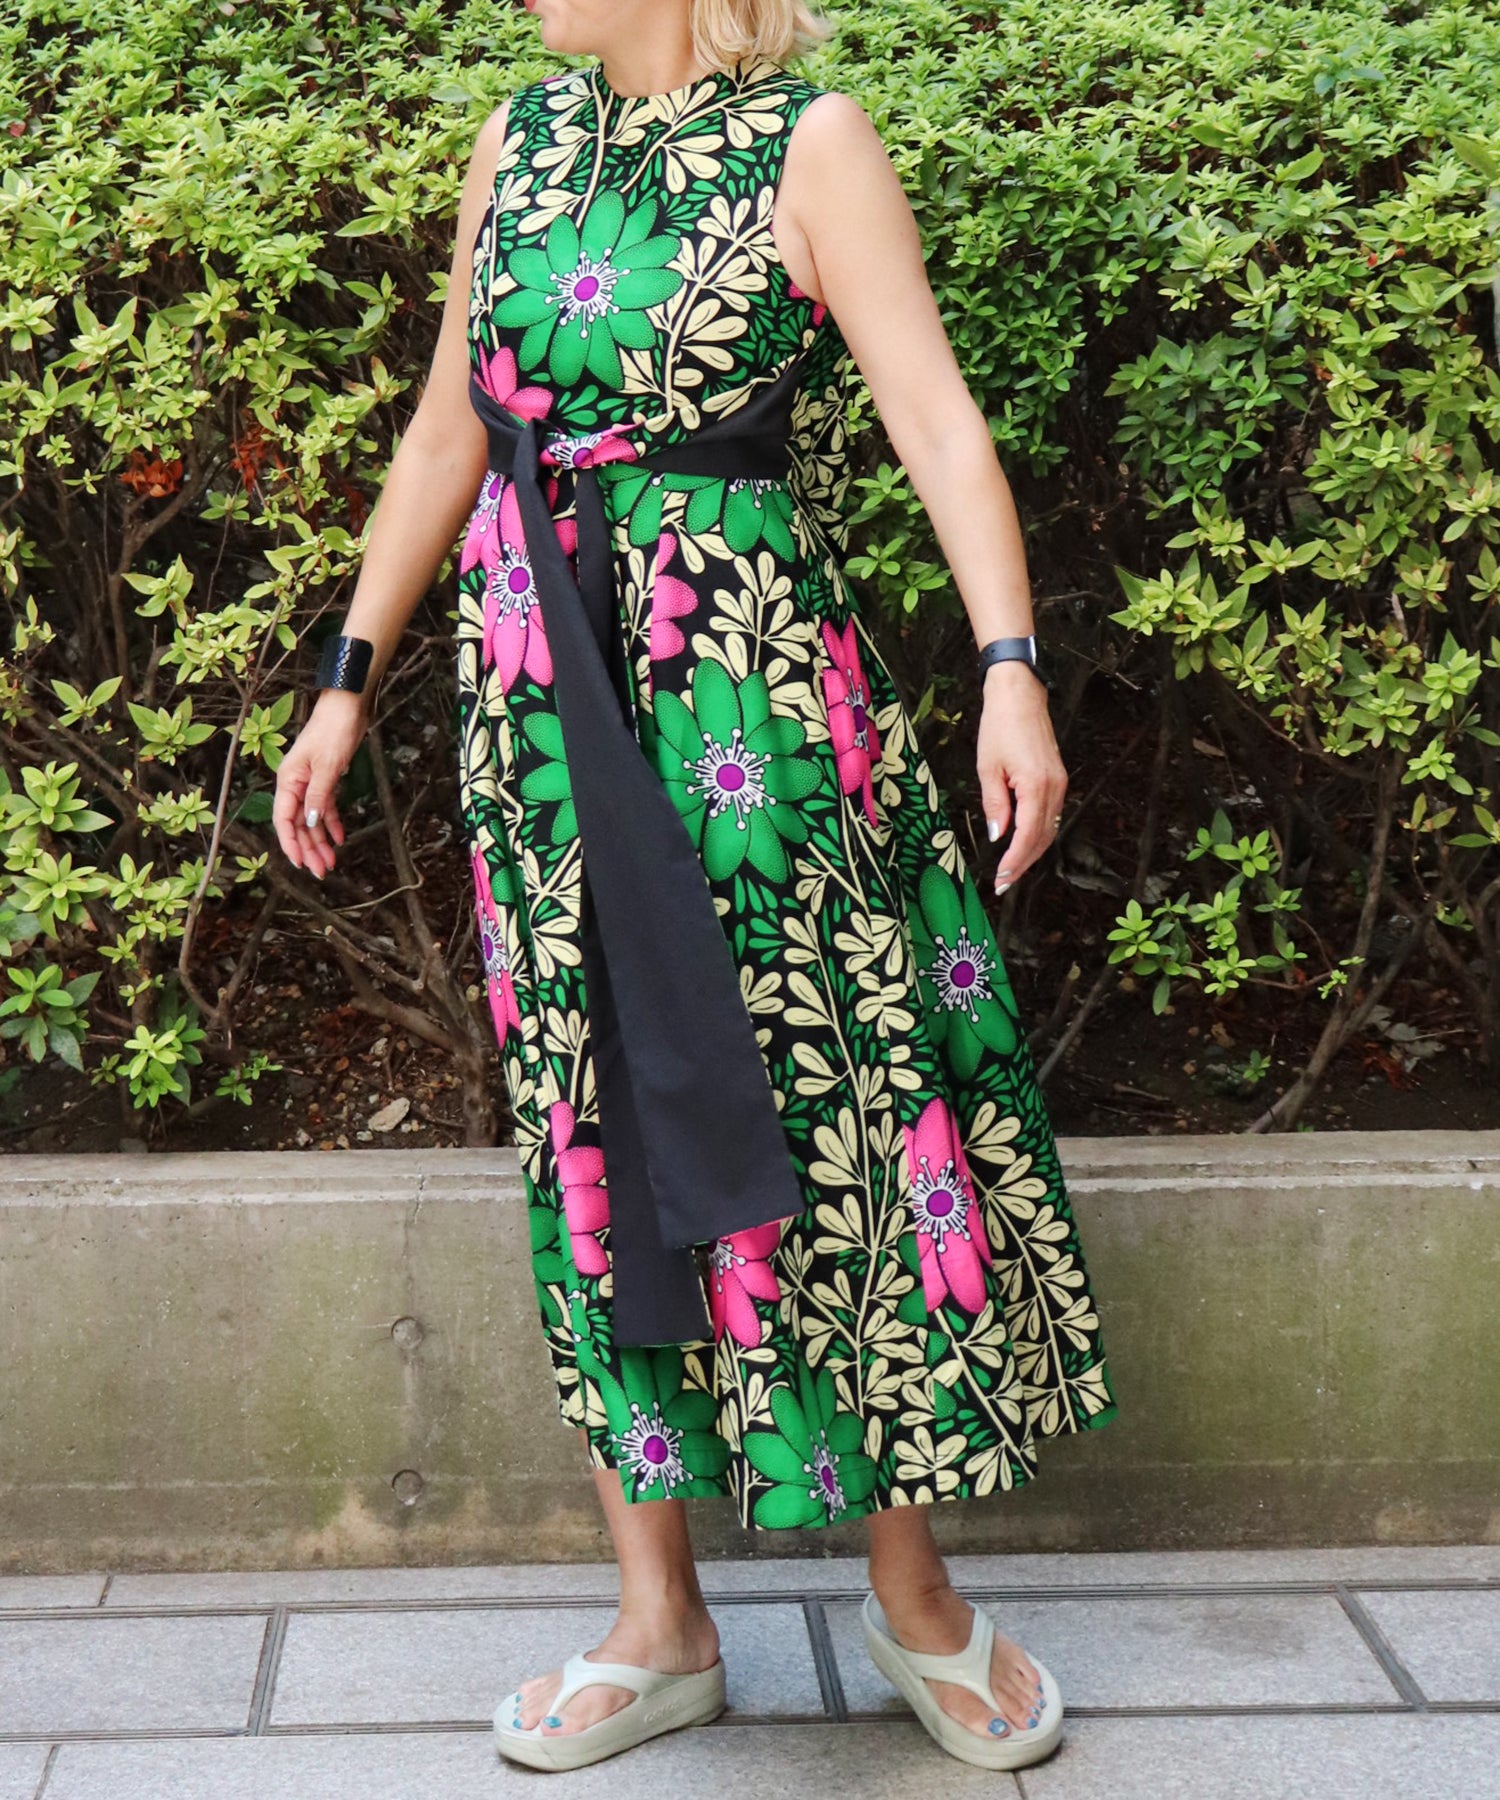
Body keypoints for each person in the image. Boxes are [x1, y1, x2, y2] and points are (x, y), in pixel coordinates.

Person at [273, 0, 1120, 1775]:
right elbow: (444, 437)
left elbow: (934, 418)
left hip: (750, 701)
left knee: (838, 1090)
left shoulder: (810, 142)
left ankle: (913, 1595)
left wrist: (1010, 668)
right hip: (543, 706)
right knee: (588, 1116)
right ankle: (660, 1619)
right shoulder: (516, 141)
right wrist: (345, 683)